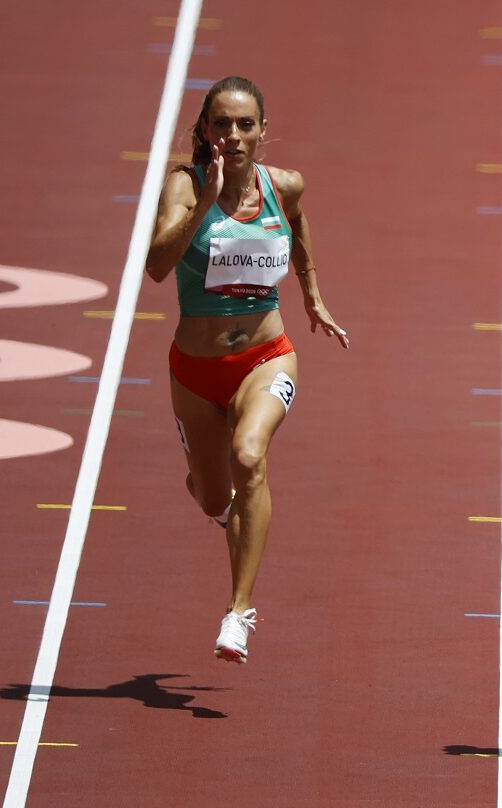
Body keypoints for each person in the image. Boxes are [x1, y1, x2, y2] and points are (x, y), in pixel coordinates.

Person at [145, 76, 349, 663]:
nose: (232, 136)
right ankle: (220, 503)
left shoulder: (284, 185)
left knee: (250, 456)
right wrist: (205, 204)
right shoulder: (183, 187)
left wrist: (312, 296)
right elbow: (158, 266)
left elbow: (300, 226)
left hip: (265, 355)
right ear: (204, 131)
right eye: (220, 125)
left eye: (245, 126)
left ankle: (238, 613)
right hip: (194, 372)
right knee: (213, 497)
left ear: (262, 132)